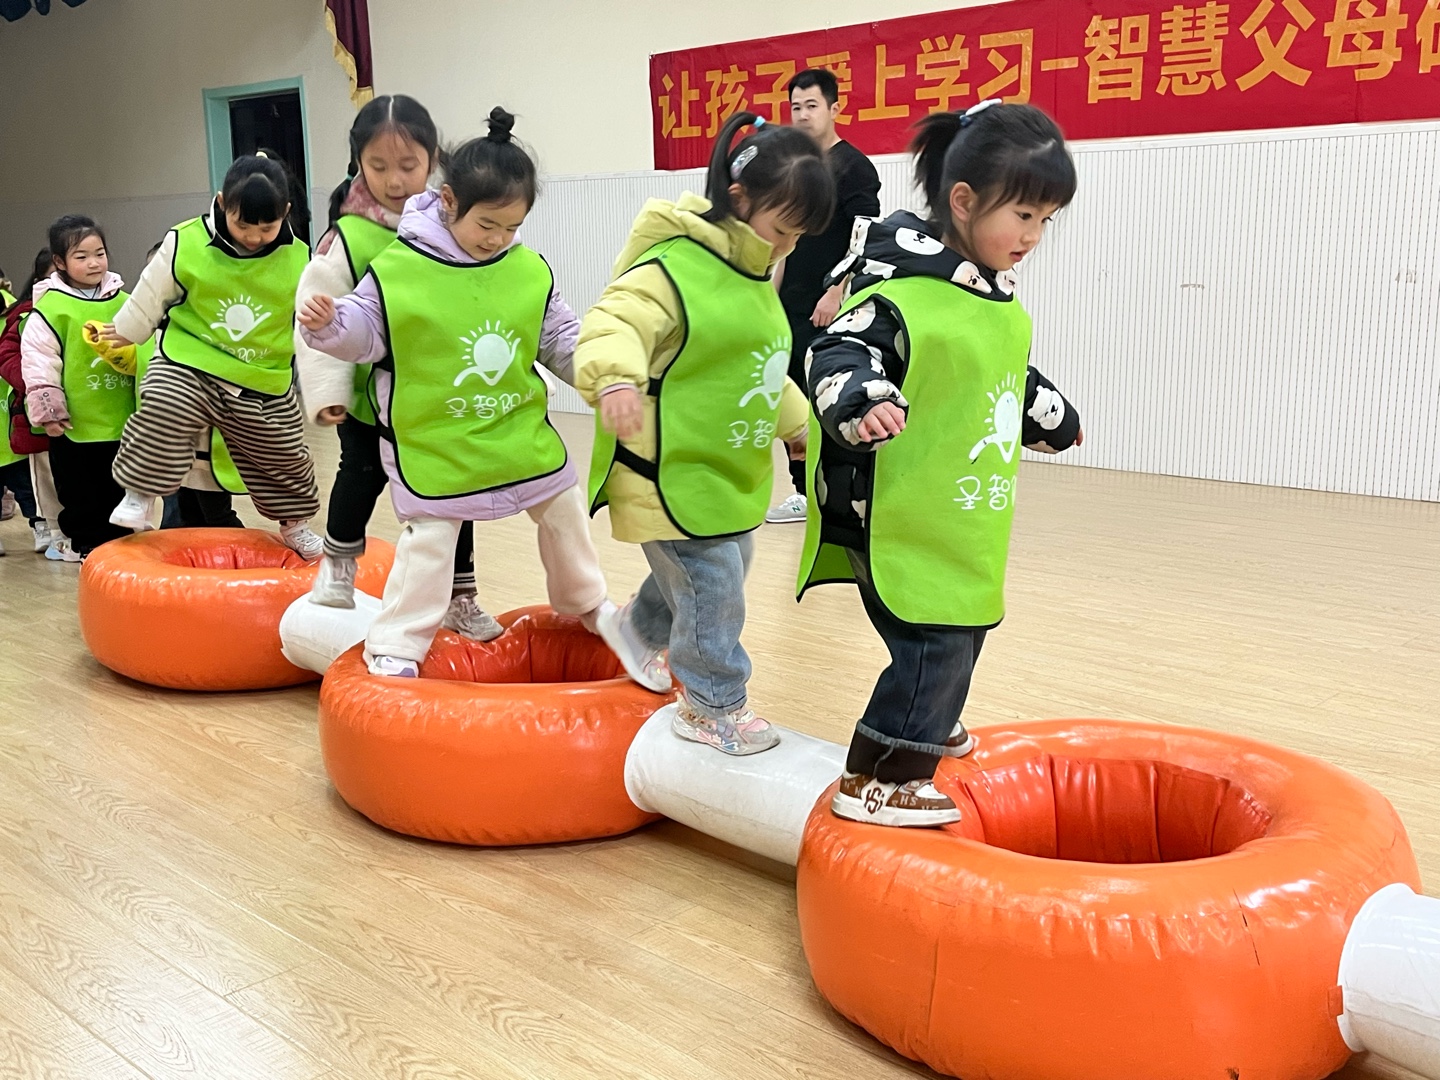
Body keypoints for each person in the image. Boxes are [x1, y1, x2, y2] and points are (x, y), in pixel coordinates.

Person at [799, 100, 1084, 826]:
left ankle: (931, 714)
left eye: (1047, 220)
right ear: (963, 201)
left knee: (962, 625)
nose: (1034, 235)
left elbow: (1001, 378)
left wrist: (1051, 417)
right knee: (935, 640)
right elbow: (837, 350)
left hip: (960, 513)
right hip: (900, 508)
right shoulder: (903, 295)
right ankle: (882, 775)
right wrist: (862, 398)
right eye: (1023, 214)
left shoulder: (994, 303)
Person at [298, 108, 646, 680]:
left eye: (512, 227)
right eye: (487, 224)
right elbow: (364, 328)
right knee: (431, 541)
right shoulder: (399, 267)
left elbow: (561, 338)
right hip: (437, 440)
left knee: (563, 505)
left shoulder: (526, 268)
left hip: (516, 432)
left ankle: (588, 604)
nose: (499, 239)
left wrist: (607, 378)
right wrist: (330, 323)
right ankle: (396, 643)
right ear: (450, 201)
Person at [577, 111, 836, 754]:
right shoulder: (674, 264)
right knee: (713, 583)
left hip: (719, 471)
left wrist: (801, 427)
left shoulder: (752, 274)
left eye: (797, 236)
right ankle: (711, 705)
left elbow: (759, 368)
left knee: (730, 561)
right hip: (665, 471)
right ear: (739, 198)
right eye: (781, 229)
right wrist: (615, 380)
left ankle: (639, 629)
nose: (786, 247)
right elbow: (615, 322)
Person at [296, 95, 500, 641]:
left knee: (455, 491)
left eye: (408, 165)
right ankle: (338, 567)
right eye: (379, 165)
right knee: (360, 475)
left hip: (438, 397)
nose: (395, 179)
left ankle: (460, 596)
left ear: (432, 159)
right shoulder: (350, 237)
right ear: (358, 163)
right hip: (371, 397)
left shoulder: (455, 226)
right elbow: (315, 314)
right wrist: (328, 389)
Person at [102, 152, 322, 556]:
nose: (254, 237)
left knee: (285, 452)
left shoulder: (302, 259)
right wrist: (129, 329)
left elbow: (315, 325)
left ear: (286, 212)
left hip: (261, 374)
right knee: (162, 403)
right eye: (243, 225)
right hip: (191, 360)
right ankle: (140, 493)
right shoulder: (185, 241)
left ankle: (295, 524)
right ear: (222, 204)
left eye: (267, 228)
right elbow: (153, 290)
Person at [766, 67, 882, 526]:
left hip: (832, 306)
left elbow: (865, 238)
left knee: (828, 400)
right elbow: (785, 242)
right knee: (791, 397)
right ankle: (802, 491)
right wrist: (768, 297)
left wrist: (836, 291)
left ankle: (841, 496)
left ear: (834, 108)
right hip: (791, 305)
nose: (802, 115)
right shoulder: (796, 169)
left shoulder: (855, 167)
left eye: (811, 105)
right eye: (795, 107)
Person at [19, 216, 149, 561]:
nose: (94, 263)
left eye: (99, 253)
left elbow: (147, 347)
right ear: (59, 262)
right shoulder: (50, 310)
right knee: (81, 491)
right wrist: (49, 410)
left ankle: (124, 554)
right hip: (75, 423)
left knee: (122, 488)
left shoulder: (126, 301)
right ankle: (89, 552)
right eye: (82, 256)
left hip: (124, 418)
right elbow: (39, 361)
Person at [0, 249, 63, 554]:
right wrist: (33, 384)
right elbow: (9, 355)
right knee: (39, 476)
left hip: (85, 413)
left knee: (29, 480)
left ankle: (52, 528)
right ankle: (50, 528)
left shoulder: (103, 305)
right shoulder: (22, 313)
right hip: (29, 410)